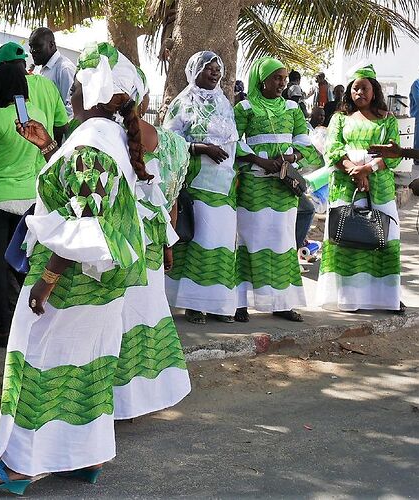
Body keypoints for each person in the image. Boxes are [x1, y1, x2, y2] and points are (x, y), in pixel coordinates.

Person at [0, 42, 157, 494]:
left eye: (74, 85)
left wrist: (47, 281)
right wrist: (50, 145)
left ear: (96, 94)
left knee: (35, 363)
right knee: (87, 364)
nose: (68, 92)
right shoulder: (109, 135)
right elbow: (90, 192)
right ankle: (81, 457)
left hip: (72, 278)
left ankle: (17, 465)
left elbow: (82, 222)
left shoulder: (91, 142)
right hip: (106, 283)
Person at [113, 67, 191, 420]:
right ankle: (144, 398)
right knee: (147, 318)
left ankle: (116, 400)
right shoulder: (173, 145)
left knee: (117, 320)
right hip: (153, 244)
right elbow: (170, 202)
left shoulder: (102, 138)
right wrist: (168, 245)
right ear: (144, 100)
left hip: (119, 245)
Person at [234, 57, 323, 323]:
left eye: (284, 79)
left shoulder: (293, 109)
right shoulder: (245, 108)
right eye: (276, 78)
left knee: (282, 243)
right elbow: (233, 142)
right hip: (254, 186)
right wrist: (260, 160)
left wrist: (291, 158)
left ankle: (282, 303)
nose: (282, 83)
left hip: (284, 188)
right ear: (262, 80)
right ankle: (240, 304)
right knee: (251, 241)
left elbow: (304, 143)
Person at [0, 62, 48, 347]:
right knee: (20, 263)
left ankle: (4, 327)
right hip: (27, 198)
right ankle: (24, 320)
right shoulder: (37, 116)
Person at [316, 64, 403, 313]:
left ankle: (383, 298)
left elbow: (394, 154)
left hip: (380, 187)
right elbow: (332, 149)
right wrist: (353, 170)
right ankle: (347, 298)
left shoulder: (388, 120)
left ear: (374, 91)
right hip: (345, 186)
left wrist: (368, 170)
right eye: (355, 89)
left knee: (384, 237)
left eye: (364, 88)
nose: (359, 93)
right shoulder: (340, 119)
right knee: (346, 237)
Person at [163, 51, 241, 324]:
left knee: (221, 245)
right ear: (193, 71)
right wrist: (200, 148)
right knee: (200, 242)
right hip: (197, 184)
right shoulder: (182, 103)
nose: (214, 73)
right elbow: (169, 143)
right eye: (208, 69)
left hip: (225, 187)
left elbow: (234, 144)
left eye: (217, 69)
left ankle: (219, 305)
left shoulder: (224, 104)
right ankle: (194, 304)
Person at [0, 41, 68, 143]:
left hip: (17, 156)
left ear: (2, 66)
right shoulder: (49, 85)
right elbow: (61, 125)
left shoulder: (7, 88)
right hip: (46, 154)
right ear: (24, 63)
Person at [28, 27, 76, 115]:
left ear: (51, 44)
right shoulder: (39, 68)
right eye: (31, 47)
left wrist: (54, 124)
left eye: (37, 46)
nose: (32, 51)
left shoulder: (64, 69)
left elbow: (71, 108)